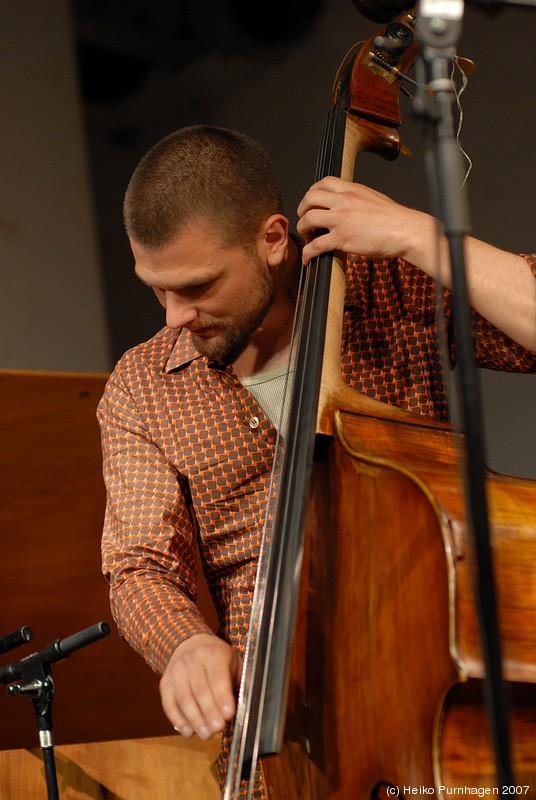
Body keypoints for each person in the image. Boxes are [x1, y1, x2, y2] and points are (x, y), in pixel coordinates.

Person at [98, 124, 536, 797]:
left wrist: (423, 238)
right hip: (285, 751)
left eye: (197, 286)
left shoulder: (389, 289)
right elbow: (139, 567)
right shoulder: (141, 386)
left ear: (274, 240)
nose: (174, 317)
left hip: (440, 716)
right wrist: (183, 643)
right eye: (158, 290)